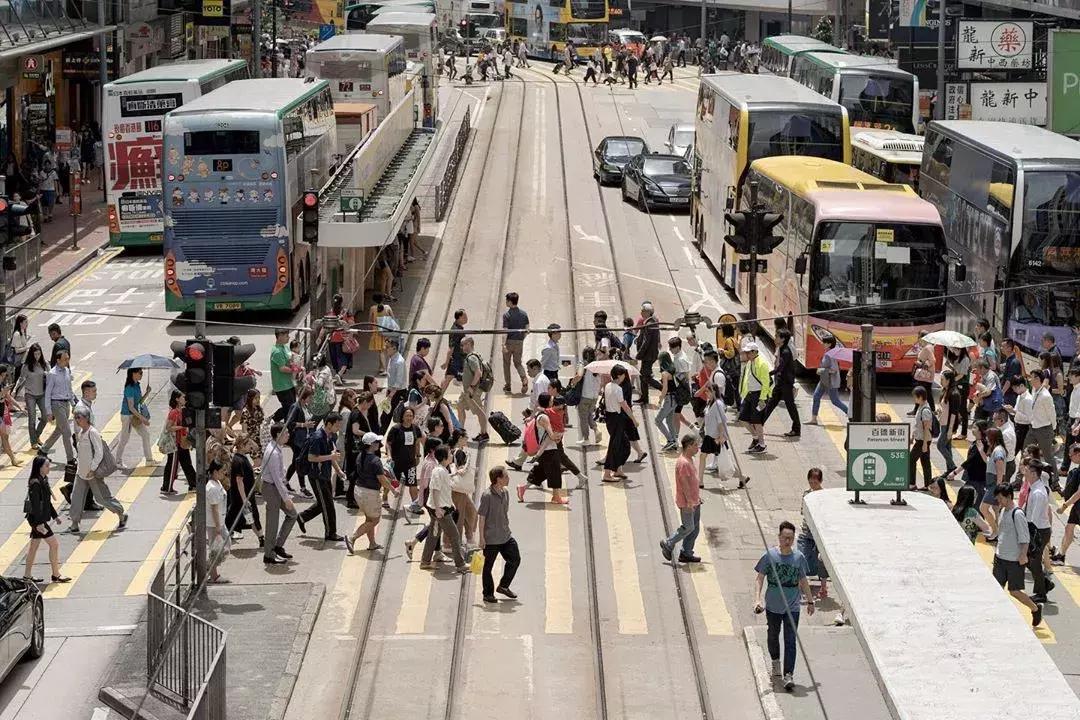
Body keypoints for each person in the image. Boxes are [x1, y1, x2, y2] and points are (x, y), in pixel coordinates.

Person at [754, 520, 816, 691]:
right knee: (773, 636)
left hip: (792, 607)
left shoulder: (799, 558)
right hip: (773, 606)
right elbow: (760, 578)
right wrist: (757, 599)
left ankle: (789, 674)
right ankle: (775, 662)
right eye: (785, 538)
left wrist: (810, 601)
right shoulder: (769, 556)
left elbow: (803, 580)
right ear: (779, 537)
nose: (787, 541)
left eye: (791, 538)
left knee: (790, 640)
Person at [68, 406, 127, 533]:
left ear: (86, 418)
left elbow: (99, 453)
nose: (77, 420)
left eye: (79, 417)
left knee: (102, 498)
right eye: (75, 417)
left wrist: (93, 468)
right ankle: (74, 523)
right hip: (81, 472)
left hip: (92, 473)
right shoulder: (80, 433)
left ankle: (121, 514)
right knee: (76, 499)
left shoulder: (93, 432)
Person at [991, 484, 1042, 628]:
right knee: (996, 589)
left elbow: (1024, 538)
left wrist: (1023, 555)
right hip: (1000, 557)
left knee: (1014, 591)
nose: (998, 501)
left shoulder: (1017, 514)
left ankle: (1035, 608)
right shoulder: (1003, 511)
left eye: (1000, 498)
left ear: (1008, 497)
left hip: (1014, 560)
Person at [344, 432, 400, 555]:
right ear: (371, 445)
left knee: (369, 519)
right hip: (370, 494)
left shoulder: (360, 456)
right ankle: (352, 538)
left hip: (358, 491)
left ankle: (372, 543)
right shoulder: (375, 461)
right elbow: (382, 479)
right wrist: (393, 490)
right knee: (374, 520)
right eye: (377, 442)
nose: (379, 444)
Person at [22, 456, 69, 585]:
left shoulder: (43, 480)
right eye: (46, 466)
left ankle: (27, 576)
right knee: (54, 545)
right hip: (37, 520)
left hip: (39, 519)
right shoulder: (35, 483)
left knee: (34, 547)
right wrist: (39, 524)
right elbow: (36, 505)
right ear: (40, 467)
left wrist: (55, 516)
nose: (49, 468)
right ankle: (56, 574)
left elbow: (47, 501)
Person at [299, 412, 345, 542]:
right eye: (337, 425)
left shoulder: (328, 436)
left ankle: (302, 517)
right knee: (328, 505)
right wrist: (331, 457)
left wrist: (339, 471)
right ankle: (331, 533)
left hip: (324, 475)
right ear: (329, 424)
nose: (338, 428)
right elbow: (311, 457)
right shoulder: (318, 437)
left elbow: (330, 456)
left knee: (323, 503)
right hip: (317, 476)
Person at [420, 445, 467, 571]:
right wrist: (437, 509)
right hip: (440, 509)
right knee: (454, 535)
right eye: (450, 454)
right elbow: (435, 490)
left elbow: (444, 486)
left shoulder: (442, 470)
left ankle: (425, 561)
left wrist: (450, 503)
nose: (452, 456)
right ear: (444, 457)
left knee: (433, 535)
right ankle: (460, 564)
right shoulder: (439, 471)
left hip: (440, 507)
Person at [518, 394, 570, 505]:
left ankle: (522, 488)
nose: (553, 401)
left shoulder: (541, 414)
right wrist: (558, 435)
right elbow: (551, 435)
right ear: (548, 402)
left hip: (545, 449)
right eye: (552, 400)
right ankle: (556, 497)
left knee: (540, 473)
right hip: (549, 449)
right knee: (555, 472)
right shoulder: (544, 418)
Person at [479, 465, 520, 603]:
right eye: (506, 476)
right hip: (491, 538)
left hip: (505, 535)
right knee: (488, 567)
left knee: (515, 559)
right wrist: (481, 538)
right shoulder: (487, 496)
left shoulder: (505, 492)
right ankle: (487, 593)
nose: (509, 478)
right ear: (498, 479)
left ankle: (503, 586)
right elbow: (482, 517)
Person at [659, 434, 703, 563]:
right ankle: (669, 542)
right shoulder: (683, 463)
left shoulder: (689, 460)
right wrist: (689, 500)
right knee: (688, 527)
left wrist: (697, 498)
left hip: (695, 500)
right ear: (688, 446)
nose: (698, 448)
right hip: (687, 502)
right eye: (695, 445)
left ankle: (686, 552)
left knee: (694, 529)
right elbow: (684, 483)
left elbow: (692, 481)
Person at [1023, 458, 1053, 603]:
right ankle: (1045, 584)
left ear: (1034, 474)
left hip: (1038, 531)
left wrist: (1025, 534)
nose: (1024, 473)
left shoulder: (1038, 493)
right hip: (1037, 530)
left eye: (1026, 471)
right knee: (1028, 560)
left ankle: (1041, 594)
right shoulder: (1034, 488)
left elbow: (1033, 520)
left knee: (1032, 561)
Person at [762, 327, 800, 438]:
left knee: (790, 405)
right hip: (781, 381)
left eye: (777, 336)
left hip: (786, 383)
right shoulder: (782, 349)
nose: (775, 338)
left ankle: (796, 429)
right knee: (771, 403)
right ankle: (759, 423)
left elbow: (780, 367)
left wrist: (770, 373)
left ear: (783, 339)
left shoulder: (786, 352)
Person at [115, 368, 154, 470]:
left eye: (142, 372)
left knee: (145, 435)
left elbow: (139, 402)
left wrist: (147, 393)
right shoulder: (129, 388)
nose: (142, 374)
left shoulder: (137, 385)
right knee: (124, 439)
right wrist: (143, 419)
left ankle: (149, 459)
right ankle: (117, 461)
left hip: (135, 416)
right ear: (133, 373)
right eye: (140, 373)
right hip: (127, 416)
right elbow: (131, 407)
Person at [41, 350, 75, 464]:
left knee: (59, 429)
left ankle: (44, 449)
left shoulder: (67, 371)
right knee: (67, 431)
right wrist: (49, 411)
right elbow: (48, 393)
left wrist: (73, 404)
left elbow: (69, 389)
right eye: (65, 359)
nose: (67, 361)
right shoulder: (52, 374)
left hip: (66, 404)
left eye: (68, 359)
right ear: (58, 360)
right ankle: (70, 459)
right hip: (56, 404)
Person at [602, 365, 635, 482]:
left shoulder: (607, 386)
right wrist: (634, 420)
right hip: (616, 419)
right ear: (619, 376)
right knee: (615, 446)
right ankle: (607, 474)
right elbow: (625, 406)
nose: (624, 377)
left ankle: (618, 469)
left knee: (622, 444)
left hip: (610, 418)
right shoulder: (618, 389)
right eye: (623, 375)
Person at [739, 342, 772, 454]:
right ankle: (756, 438)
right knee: (743, 418)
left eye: (748, 352)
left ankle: (762, 444)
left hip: (759, 396)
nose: (746, 354)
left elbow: (766, 383)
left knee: (757, 421)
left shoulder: (762, 363)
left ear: (754, 352)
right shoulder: (750, 362)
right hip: (749, 394)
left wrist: (762, 399)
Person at [386, 406, 422, 506]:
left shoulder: (416, 429)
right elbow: (388, 444)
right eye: (407, 415)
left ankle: (414, 504)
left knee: (413, 483)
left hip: (410, 462)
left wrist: (418, 455)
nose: (409, 418)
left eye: (411, 416)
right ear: (402, 417)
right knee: (391, 481)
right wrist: (389, 456)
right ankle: (385, 498)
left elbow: (417, 443)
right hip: (396, 462)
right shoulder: (396, 429)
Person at [807, 335, 847, 424]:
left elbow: (834, 370)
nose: (822, 344)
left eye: (824, 342)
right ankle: (814, 419)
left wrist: (821, 370)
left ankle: (850, 413)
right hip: (824, 380)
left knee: (835, 401)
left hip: (831, 381)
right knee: (816, 397)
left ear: (829, 344)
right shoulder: (827, 352)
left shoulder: (830, 355)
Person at [161, 391, 195, 493]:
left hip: (182, 442)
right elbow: (169, 427)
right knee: (172, 465)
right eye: (183, 397)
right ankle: (167, 487)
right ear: (177, 399)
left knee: (187, 464)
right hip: (175, 443)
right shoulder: (174, 412)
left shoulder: (182, 410)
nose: (185, 399)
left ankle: (194, 484)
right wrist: (182, 427)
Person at [1053, 444, 1080, 564]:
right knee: (1069, 527)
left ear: (1078, 454)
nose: (1069, 456)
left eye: (1071, 454)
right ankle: (1061, 555)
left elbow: (1079, 493)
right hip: (1077, 505)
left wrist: (1065, 506)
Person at [459, 337, 490, 442]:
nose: (462, 347)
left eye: (463, 345)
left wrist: (471, 387)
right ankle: (461, 432)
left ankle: (484, 433)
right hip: (467, 391)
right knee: (460, 406)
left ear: (469, 344)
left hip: (472, 391)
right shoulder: (475, 355)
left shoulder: (472, 358)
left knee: (479, 411)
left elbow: (478, 373)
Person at [1028, 371, 1058, 479]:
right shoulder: (1033, 390)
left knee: (1048, 456)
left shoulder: (1046, 396)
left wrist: (1052, 429)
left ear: (1037, 379)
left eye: (1031, 378)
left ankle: (1055, 480)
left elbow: (1052, 414)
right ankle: (1022, 478)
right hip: (1033, 427)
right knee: (1026, 452)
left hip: (1044, 429)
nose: (1029, 380)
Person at [205, 460, 229, 583]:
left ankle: (209, 567)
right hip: (215, 523)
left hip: (220, 521)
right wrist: (218, 526)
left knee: (225, 545)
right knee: (216, 550)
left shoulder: (217, 483)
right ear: (215, 472)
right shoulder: (212, 488)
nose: (224, 473)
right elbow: (214, 508)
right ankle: (213, 574)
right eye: (222, 471)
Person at [501, 292, 530, 394]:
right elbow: (527, 329)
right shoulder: (524, 314)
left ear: (510, 302)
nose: (505, 302)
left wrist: (503, 344)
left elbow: (505, 331)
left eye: (506, 301)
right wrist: (521, 339)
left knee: (506, 364)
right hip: (519, 342)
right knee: (518, 363)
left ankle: (508, 385)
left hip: (509, 342)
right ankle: (524, 378)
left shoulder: (506, 315)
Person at [22, 343, 49, 448]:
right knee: (32, 418)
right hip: (30, 395)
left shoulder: (44, 364)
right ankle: (33, 442)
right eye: (35, 354)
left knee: (45, 417)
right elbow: (21, 379)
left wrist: (47, 374)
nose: (37, 356)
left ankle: (36, 436)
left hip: (42, 394)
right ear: (31, 355)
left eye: (39, 354)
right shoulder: (26, 366)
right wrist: (14, 391)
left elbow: (51, 375)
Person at [572, 347, 601, 445]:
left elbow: (579, 376)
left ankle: (586, 439)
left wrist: (572, 383)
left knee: (583, 418)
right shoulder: (597, 365)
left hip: (585, 395)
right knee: (589, 415)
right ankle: (596, 430)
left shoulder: (583, 364)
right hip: (594, 396)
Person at [634, 302, 661, 404]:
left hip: (648, 355)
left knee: (646, 377)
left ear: (648, 312)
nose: (641, 312)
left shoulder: (650, 324)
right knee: (643, 377)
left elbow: (646, 341)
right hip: (648, 355)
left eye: (643, 311)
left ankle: (664, 389)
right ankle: (644, 398)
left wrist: (639, 354)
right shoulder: (650, 322)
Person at [654, 351, 682, 450]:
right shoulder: (672, 370)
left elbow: (665, 388)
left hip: (669, 399)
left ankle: (670, 440)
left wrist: (660, 399)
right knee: (669, 421)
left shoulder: (664, 373)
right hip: (675, 399)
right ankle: (674, 441)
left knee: (658, 420)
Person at [936, 369, 962, 473]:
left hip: (948, 425)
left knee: (940, 445)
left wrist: (950, 429)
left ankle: (952, 466)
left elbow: (954, 413)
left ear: (948, 380)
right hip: (943, 422)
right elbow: (944, 406)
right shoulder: (945, 390)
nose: (940, 381)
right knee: (947, 447)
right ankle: (949, 472)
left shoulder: (954, 394)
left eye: (942, 379)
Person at [909, 386, 934, 489]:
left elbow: (926, 428)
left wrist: (924, 444)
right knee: (925, 461)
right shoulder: (921, 406)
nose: (914, 399)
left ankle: (912, 483)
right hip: (921, 439)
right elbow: (917, 425)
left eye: (915, 397)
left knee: (911, 460)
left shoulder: (925, 410)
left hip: (922, 440)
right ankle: (928, 484)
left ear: (920, 397)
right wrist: (913, 436)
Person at [440, 309, 468, 391]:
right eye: (465, 317)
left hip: (459, 359)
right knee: (448, 378)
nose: (467, 318)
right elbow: (451, 347)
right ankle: (438, 395)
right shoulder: (455, 330)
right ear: (459, 318)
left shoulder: (458, 328)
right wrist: (446, 362)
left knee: (448, 378)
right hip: (456, 360)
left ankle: (439, 395)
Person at [270, 328, 297, 411]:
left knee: (292, 408)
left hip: (289, 383)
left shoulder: (285, 347)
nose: (289, 337)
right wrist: (294, 370)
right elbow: (282, 368)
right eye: (286, 336)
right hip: (282, 386)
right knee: (290, 409)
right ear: (280, 336)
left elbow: (290, 359)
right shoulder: (277, 351)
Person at [10, 314, 30, 387]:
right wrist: (27, 348)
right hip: (19, 361)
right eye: (25, 322)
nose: (27, 324)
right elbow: (17, 350)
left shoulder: (22, 332)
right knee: (17, 381)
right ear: (20, 323)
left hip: (23, 360)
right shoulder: (17, 334)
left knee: (21, 381)